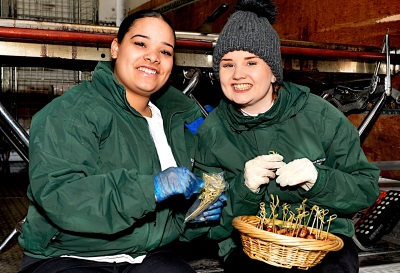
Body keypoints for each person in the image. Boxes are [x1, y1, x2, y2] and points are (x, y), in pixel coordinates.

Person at [18, 10, 226, 273]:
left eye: (165, 51)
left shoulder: (177, 119)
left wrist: (191, 217)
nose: (153, 56)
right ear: (115, 48)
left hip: (147, 254)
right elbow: (61, 196)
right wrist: (150, 188)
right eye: (141, 44)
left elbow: (167, 219)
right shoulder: (70, 113)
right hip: (69, 254)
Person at [193, 0, 381, 272]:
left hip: (322, 241)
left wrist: (319, 180)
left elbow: (365, 190)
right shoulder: (212, 133)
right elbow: (205, 225)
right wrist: (243, 189)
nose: (238, 75)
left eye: (251, 62)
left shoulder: (319, 116)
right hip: (250, 245)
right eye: (227, 64)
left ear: (273, 71)